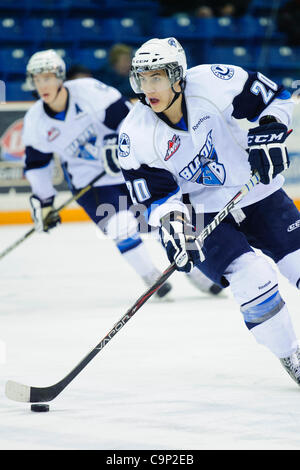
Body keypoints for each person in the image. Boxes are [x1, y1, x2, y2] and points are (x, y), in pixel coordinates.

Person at [117, 37, 300, 386]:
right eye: (142, 78)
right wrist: (173, 227)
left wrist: (271, 129)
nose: (148, 87)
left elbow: (277, 98)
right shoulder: (135, 135)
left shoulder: (214, 82)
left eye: (156, 77)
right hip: (199, 213)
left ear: (177, 77)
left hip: (256, 190)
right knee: (252, 276)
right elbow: (156, 200)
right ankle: (291, 354)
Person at [22, 49, 219, 300]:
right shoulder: (36, 121)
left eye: (48, 77)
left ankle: (198, 273)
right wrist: (44, 201)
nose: (43, 85)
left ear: (60, 77)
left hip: (126, 170)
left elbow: (129, 118)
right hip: (91, 184)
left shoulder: (89, 91)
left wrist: (116, 145)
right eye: (38, 79)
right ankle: (151, 277)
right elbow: (37, 164)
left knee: (162, 215)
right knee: (119, 225)